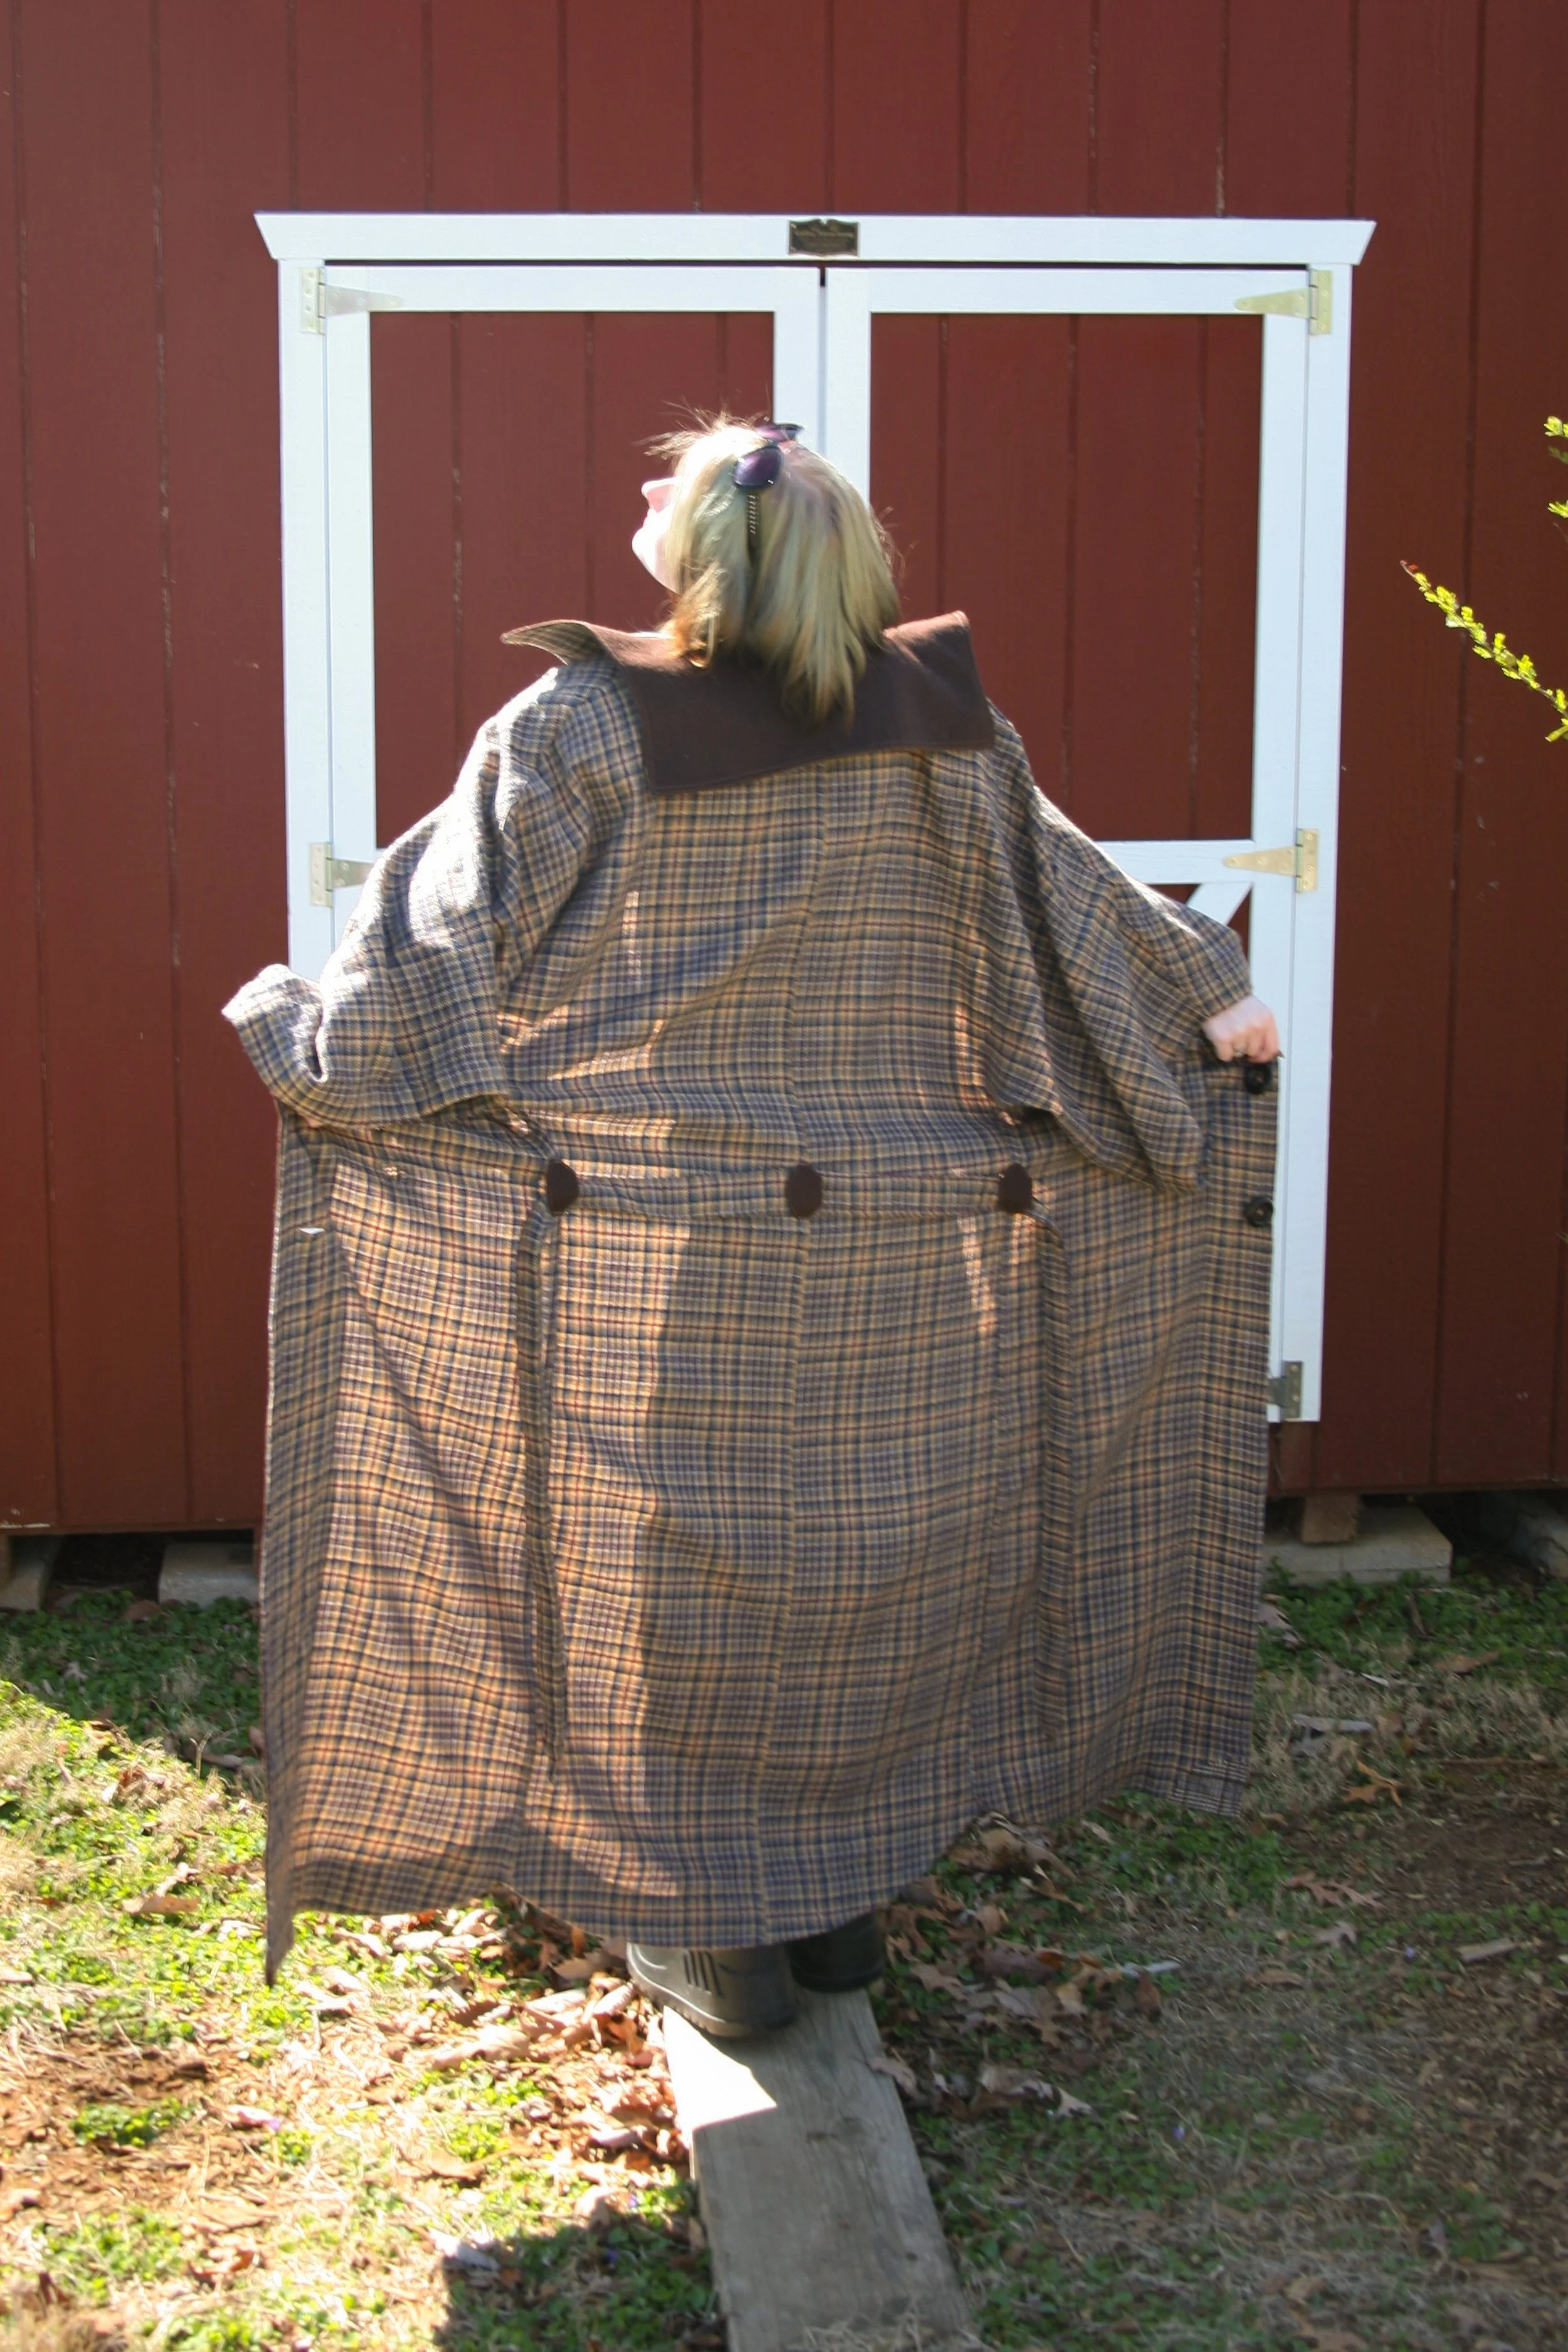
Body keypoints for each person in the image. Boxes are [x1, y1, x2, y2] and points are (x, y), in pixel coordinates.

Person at [225, 418, 1279, 2038]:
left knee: (679, 1577)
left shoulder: (583, 725)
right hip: (906, 1251)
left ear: (708, 547)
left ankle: (717, 1933)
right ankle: (838, 1905)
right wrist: (1206, 997)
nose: (634, 492)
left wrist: (309, 1033)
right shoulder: (941, 725)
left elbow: (439, 948)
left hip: (671, 1248)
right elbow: (1069, 898)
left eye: (665, 481)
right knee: (858, 1554)